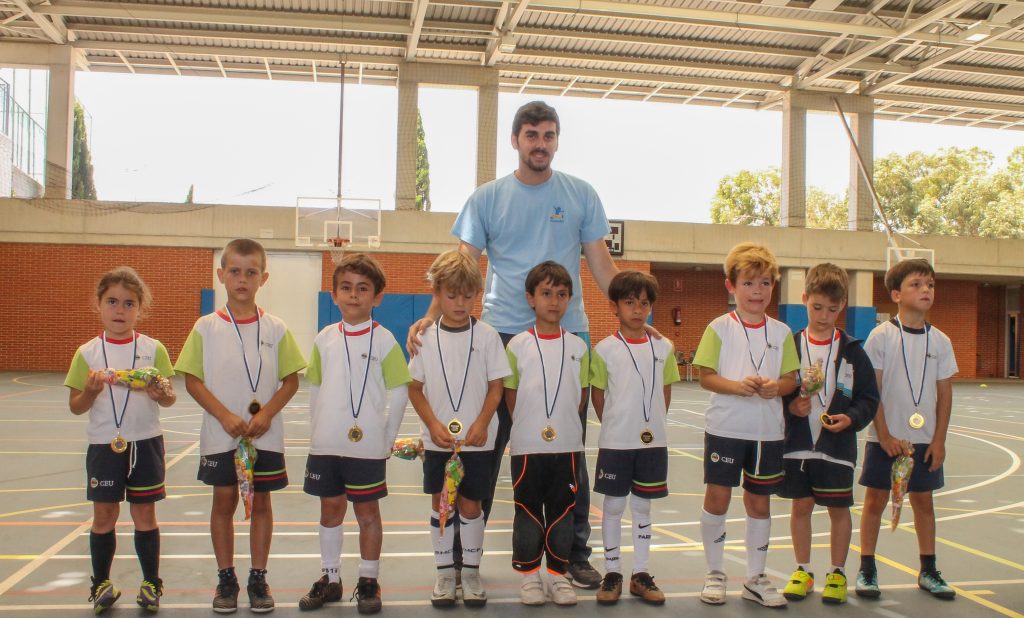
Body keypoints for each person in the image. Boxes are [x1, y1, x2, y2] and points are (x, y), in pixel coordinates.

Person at [407, 100, 620, 589]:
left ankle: (574, 552)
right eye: (531, 134)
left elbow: (603, 268)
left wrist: (635, 316)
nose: (540, 143)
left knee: (568, 448)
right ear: (515, 140)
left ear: (557, 140)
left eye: (548, 134)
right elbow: (459, 269)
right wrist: (429, 318)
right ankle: (458, 555)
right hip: (502, 334)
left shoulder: (581, 194)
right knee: (483, 445)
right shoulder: (487, 198)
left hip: (569, 336)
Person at [174, 238, 306, 613]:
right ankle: (226, 577)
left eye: (251, 272)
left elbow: (291, 380)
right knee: (224, 502)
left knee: (261, 503)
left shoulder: (276, 328)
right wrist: (224, 415)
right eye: (234, 271)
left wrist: (265, 414)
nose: (242, 279)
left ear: (263, 278)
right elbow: (193, 381)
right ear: (221, 275)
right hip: (221, 434)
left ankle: (258, 577)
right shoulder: (205, 328)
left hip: (264, 437)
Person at [298, 253, 412, 615]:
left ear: (377, 297)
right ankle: (330, 578)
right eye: (345, 288)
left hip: (368, 447)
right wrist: (317, 433)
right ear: (333, 295)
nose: (353, 295)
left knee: (367, 512)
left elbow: (400, 389)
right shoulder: (324, 339)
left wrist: (388, 437)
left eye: (363, 289)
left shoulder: (385, 340)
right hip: (327, 444)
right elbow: (314, 388)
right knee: (330, 509)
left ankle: (368, 579)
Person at [692, 242, 799, 608]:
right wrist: (737, 387)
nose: (758, 291)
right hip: (726, 428)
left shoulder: (783, 332)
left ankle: (755, 577)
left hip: (767, 433)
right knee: (718, 498)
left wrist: (777, 387)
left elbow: (791, 379)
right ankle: (715, 573)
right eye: (750, 283)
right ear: (731, 286)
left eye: (766, 283)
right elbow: (705, 375)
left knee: (759, 503)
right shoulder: (718, 328)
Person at [66, 266, 177, 614]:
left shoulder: (152, 349)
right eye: (112, 301)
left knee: (145, 513)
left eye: (129, 304)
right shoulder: (87, 353)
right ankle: (101, 583)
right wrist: (89, 391)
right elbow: (75, 407)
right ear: (98, 305)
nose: (119, 310)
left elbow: (170, 396)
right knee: (104, 515)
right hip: (104, 445)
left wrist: (161, 394)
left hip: (145, 443)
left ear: (140, 309)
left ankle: (150, 584)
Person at [407, 250, 509, 608]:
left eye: (468, 295)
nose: (460, 302)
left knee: (470, 506)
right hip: (438, 441)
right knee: (442, 504)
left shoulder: (487, 336)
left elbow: (496, 386)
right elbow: (414, 388)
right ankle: (444, 572)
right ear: (436, 292)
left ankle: (471, 572)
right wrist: (433, 425)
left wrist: (482, 423)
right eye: (452, 295)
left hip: (477, 442)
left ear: (477, 293)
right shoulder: (424, 338)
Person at [856, 258, 958, 600]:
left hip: (924, 440)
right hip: (885, 439)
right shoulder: (880, 336)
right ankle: (866, 569)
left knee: (924, 503)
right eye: (916, 284)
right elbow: (873, 391)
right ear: (896, 294)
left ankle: (928, 569)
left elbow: (944, 393)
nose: (926, 290)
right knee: (875, 502)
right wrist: (883, 435)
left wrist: (939, 439)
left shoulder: (941, 341)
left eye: (929, 284)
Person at [779, 264, 879, 605]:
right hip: (798, 445)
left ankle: (836, 572)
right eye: (817, 307)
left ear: (843, 307)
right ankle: (803, 570)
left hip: (836, 446)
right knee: (801, 507)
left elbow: (869, 398)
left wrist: (850, 418)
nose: (824, 316)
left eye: (833, 310)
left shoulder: (853, 351)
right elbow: (780, 392)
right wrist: (792, 406)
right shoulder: (789, 346)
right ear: (804, 299)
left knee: (838, 509)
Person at [590, 270, 679, 607]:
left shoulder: (663, 347)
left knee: (643, 506)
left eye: (644, 303)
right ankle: (611, 572)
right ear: (615, 306)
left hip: (652, 442)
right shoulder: (604, 350)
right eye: (630, 302)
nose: (638, 309)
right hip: (616, 442)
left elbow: (666, 392)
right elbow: (598, 395)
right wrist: (615, 425)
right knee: (612, 506)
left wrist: (650, 424)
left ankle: (640, 573)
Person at [504, 261, 591, 607]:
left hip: (567, 444)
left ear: (569, 299)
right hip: (527, 445)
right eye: (545, 293)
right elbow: (511, 394)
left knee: (562, 512)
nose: (553, 301)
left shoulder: (579, 348)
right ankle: (529, 577)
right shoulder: (517, 346)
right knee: (527, 511)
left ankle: (557, 575)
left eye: (561, 294)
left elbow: (581, 394)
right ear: (530, 298)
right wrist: (528, 426)